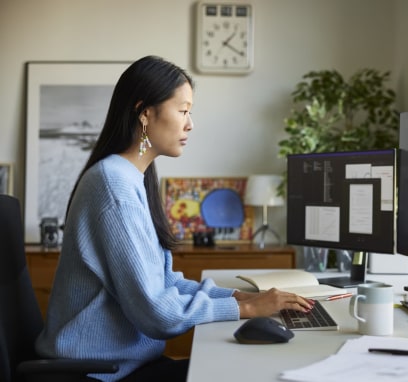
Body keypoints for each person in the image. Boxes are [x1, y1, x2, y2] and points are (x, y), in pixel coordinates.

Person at [35, 56, 314, 382]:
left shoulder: (130, 179)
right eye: (183, 111)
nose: (190, 123)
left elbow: (165, 283)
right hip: (98, 374)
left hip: (124, 366)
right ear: (145, 112)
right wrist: (248, 310)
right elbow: (157, 313)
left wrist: (240, 297)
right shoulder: (113, 186)